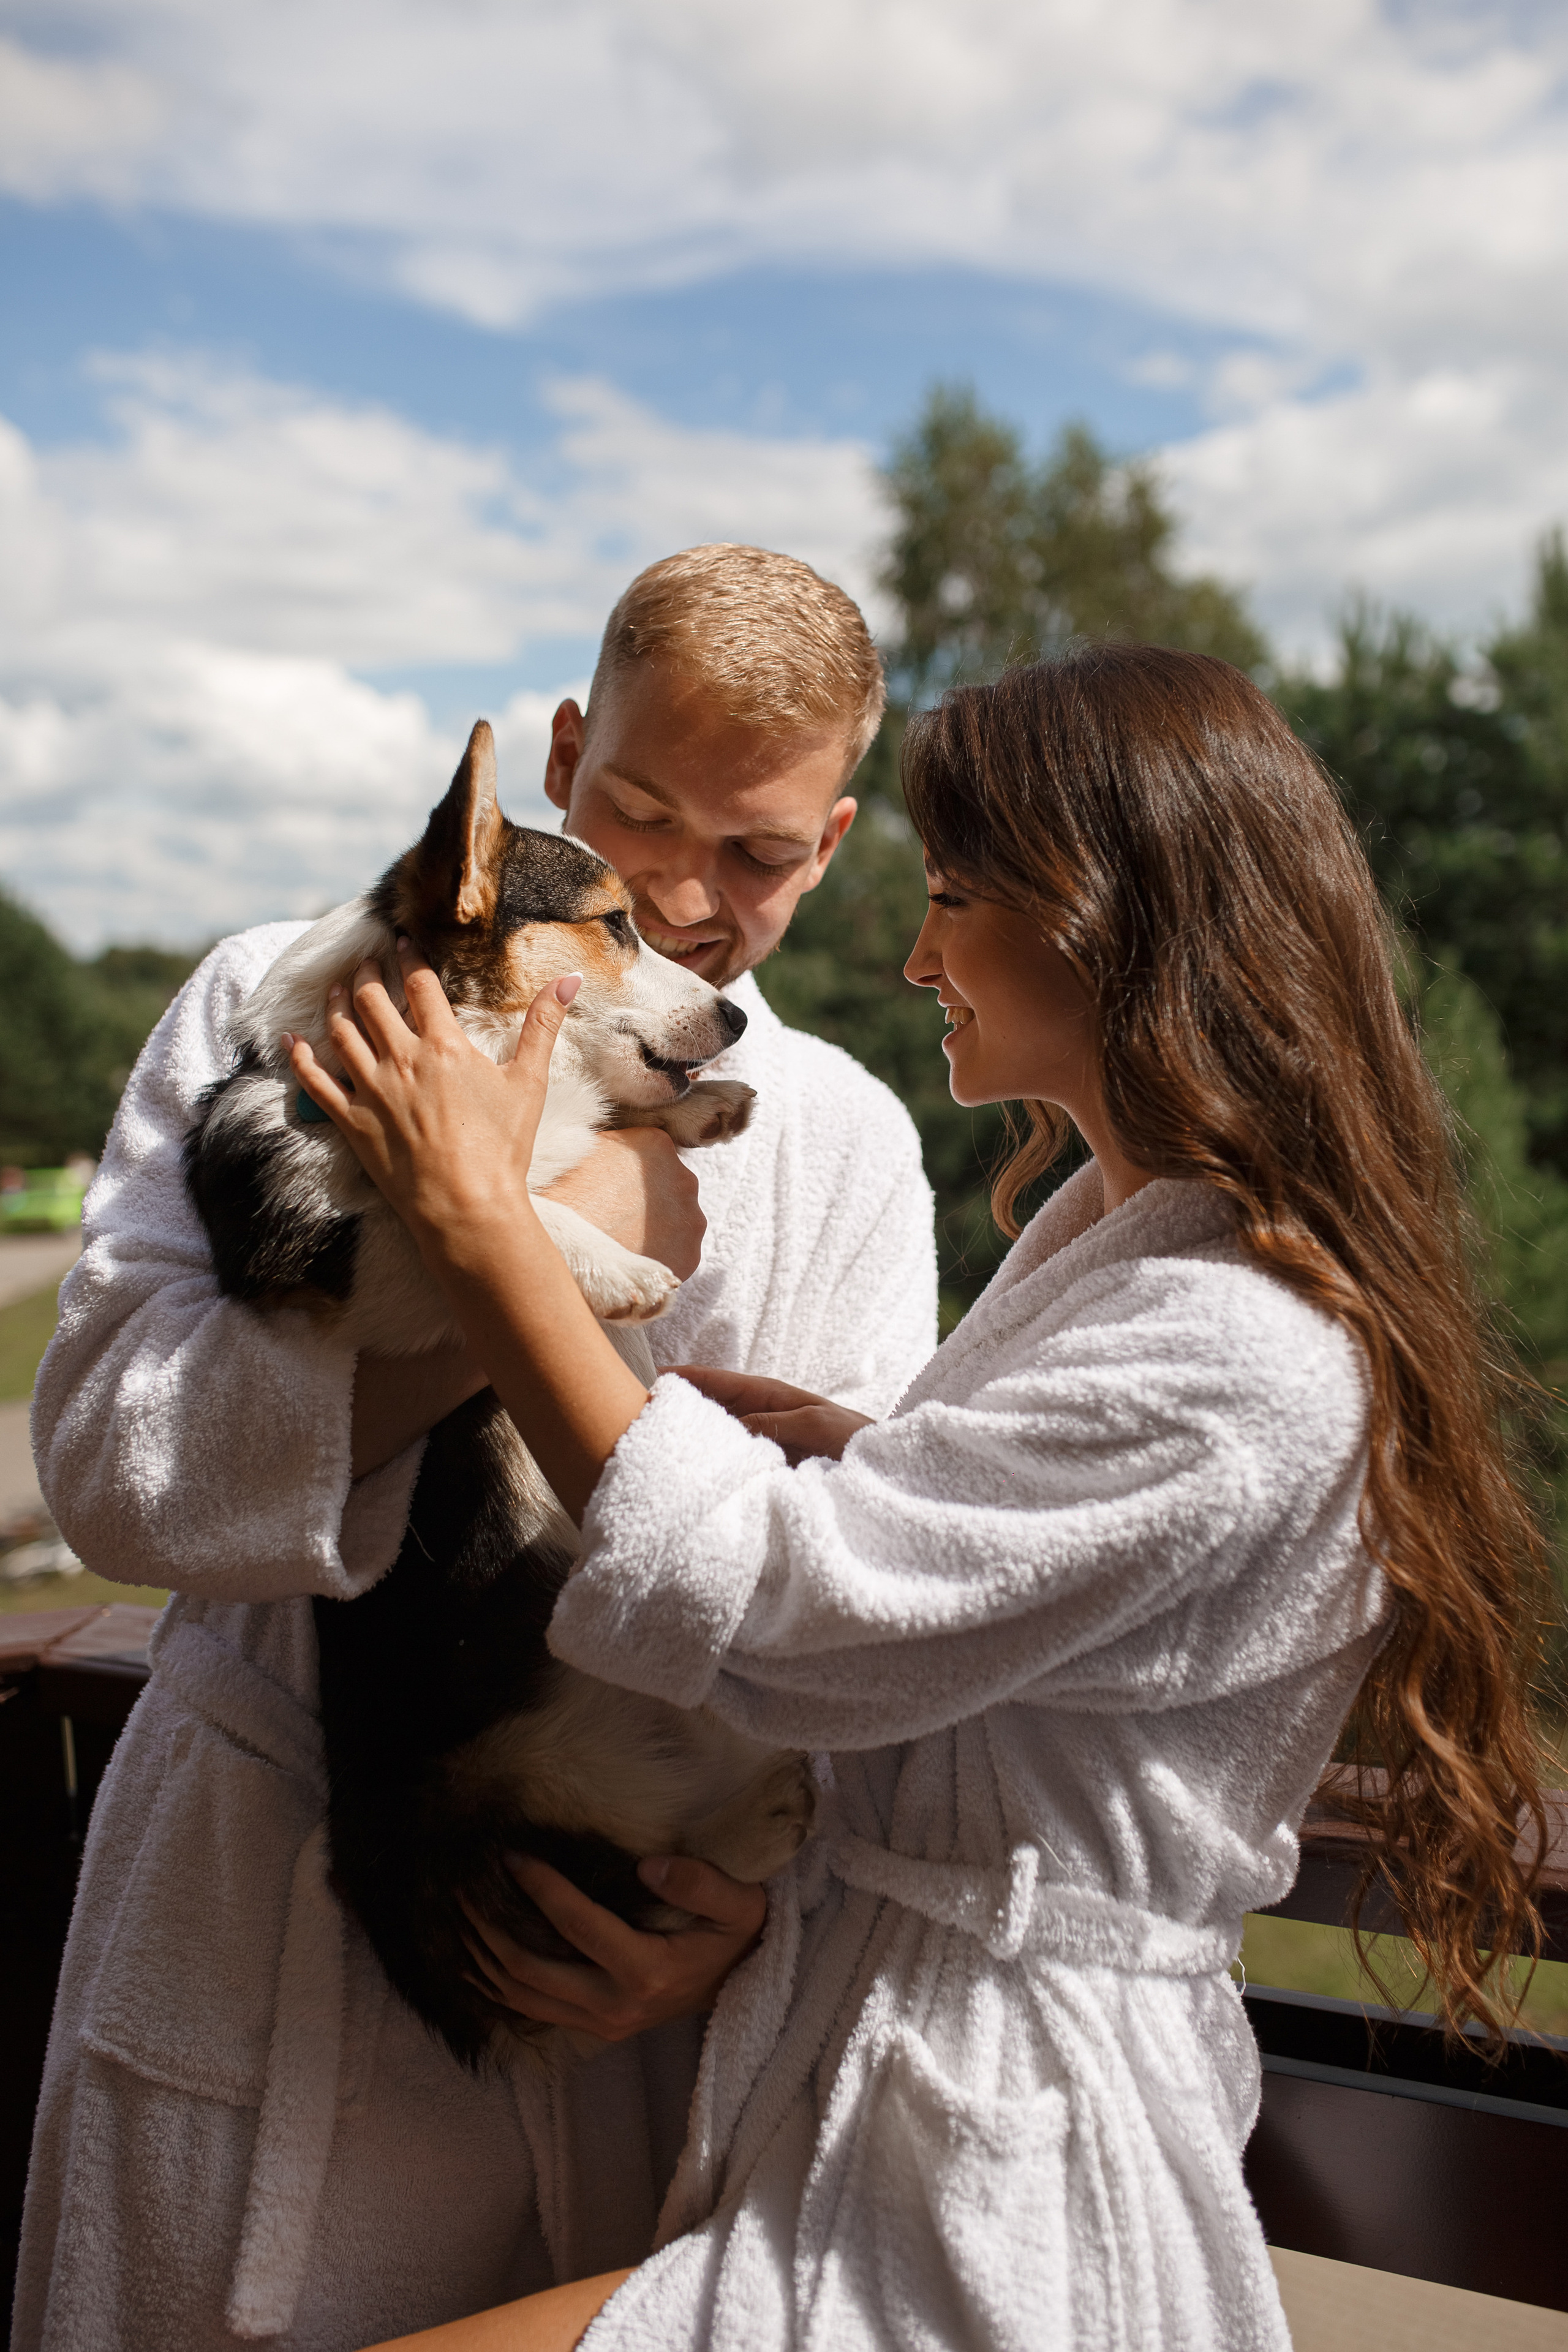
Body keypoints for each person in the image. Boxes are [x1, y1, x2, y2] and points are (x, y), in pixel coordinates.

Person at [295, 644, 1547, 2352]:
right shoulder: (1109, 1235)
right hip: (890, 2104)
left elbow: (775, 1617)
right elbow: (998, 1597)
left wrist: (484, 1232)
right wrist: (853, 1454)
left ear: (1110, 921)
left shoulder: (1240, 1344)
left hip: (1012, 2180)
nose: (911, 954)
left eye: (955, 898)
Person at [14, 547, 938, 2351]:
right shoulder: (274, 1003)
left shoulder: (842, 1143)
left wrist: (749, 1932)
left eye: (754, 854)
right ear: (565, 758)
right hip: (247, 1961)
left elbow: (858, 1626)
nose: (678, 896)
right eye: (640, 815)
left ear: (830, 848)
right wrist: (529, 1230)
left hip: (630, 2007)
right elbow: (115, 1481)